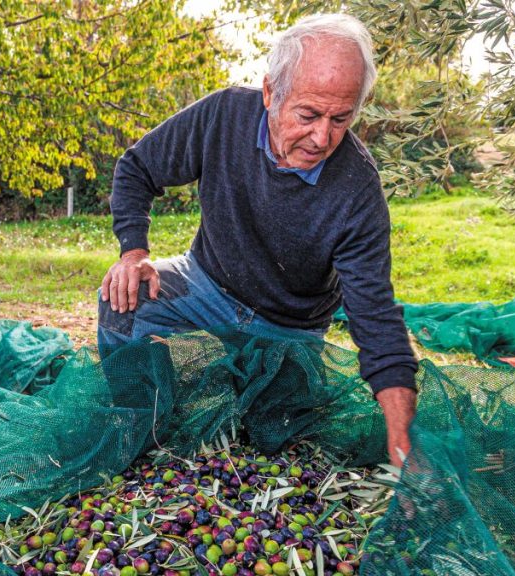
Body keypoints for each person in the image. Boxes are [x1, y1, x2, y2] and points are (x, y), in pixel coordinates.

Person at [97, 14, 418, 468]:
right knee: (121, 300)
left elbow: (376, 319)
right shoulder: (224, 115)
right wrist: (133, 253)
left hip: (289, 325)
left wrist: (402, 442)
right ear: (270, 93)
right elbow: (137, 168)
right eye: (307, 114)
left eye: (340, 119)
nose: (322, 137)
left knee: (277, 437)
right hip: (206, 284)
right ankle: (142, 429)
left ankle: (270, 386)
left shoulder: (357, 190)